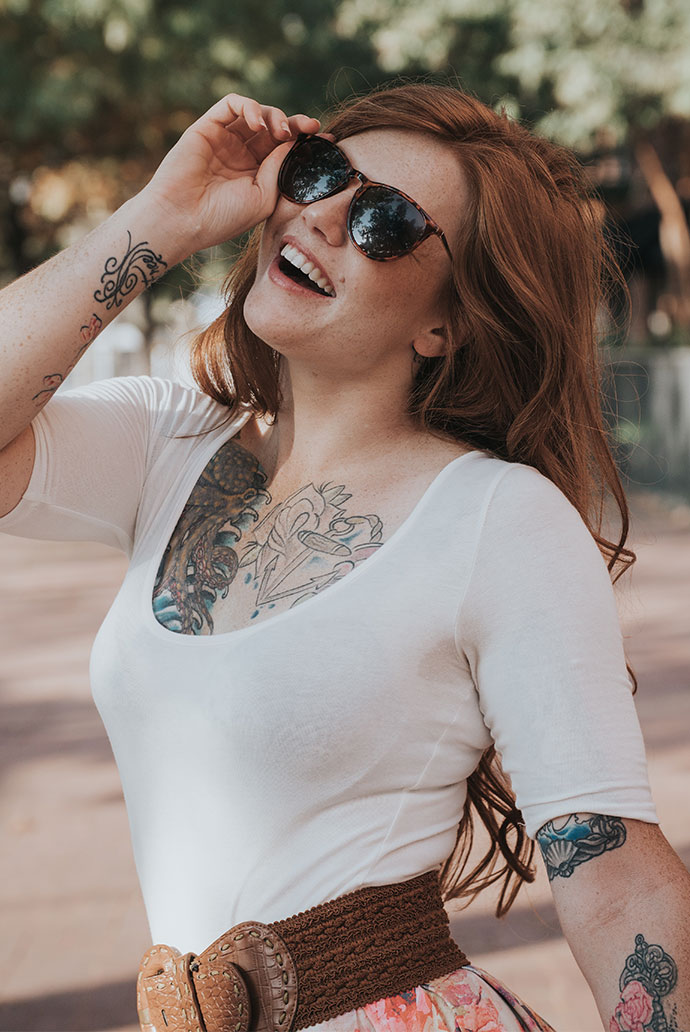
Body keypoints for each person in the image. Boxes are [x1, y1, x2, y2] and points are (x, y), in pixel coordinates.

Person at [0, 82, 688, 1033]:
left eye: (386, 221)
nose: (324, 216)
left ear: (444, 324)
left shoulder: (500, 518)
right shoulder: (169, 443)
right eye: (320, 173)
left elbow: (615, 876)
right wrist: (162, 217)